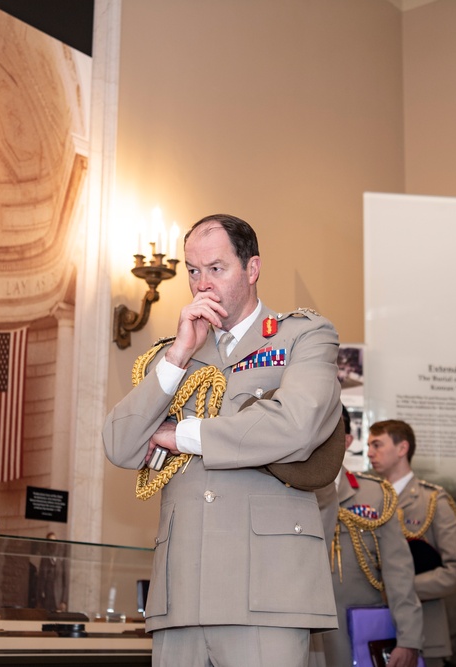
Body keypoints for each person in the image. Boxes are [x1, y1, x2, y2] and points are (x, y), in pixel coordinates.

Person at [103, 214, 342, 666]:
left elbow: (296, 425)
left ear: (252, 269)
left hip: (269, 590)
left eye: (216, 269)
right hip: (182, 594)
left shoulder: (303, 336)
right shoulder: (175, 352)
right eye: (192, 271)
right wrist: (176, 356)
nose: (202, 284)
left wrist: (184, 436)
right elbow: (120, 443)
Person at [312, 408, 422, 667]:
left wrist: (408, 639)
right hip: (293, 636)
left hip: (357, 636)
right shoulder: (282, 492)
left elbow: (399, 573)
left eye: (331, 429)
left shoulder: (375, 496)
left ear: (348, 441)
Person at [368, 419, 456, 667]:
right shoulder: (368, 500)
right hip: (370, 626)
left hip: (424, 632)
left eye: (377, 445)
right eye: (368, 445)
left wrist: (399, 590)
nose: (369, 453)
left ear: (402, 449)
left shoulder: (432, 500)